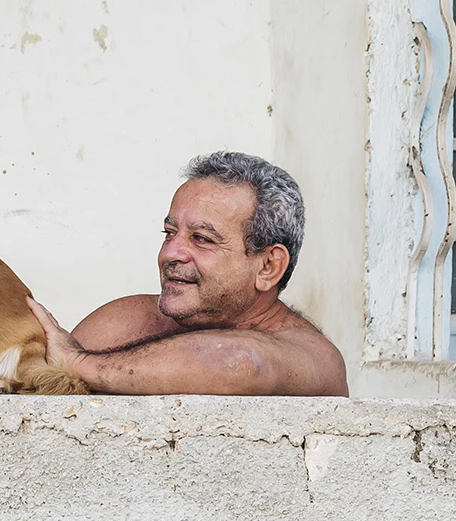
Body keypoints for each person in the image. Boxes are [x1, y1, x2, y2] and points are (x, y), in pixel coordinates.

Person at [26, 152, 349, 397]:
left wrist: (82, 364)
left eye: (202, 239)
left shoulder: (314, 358)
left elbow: (239, 362)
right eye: (169, 233)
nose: (170, 253)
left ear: (268, 266)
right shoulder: (127, 319)